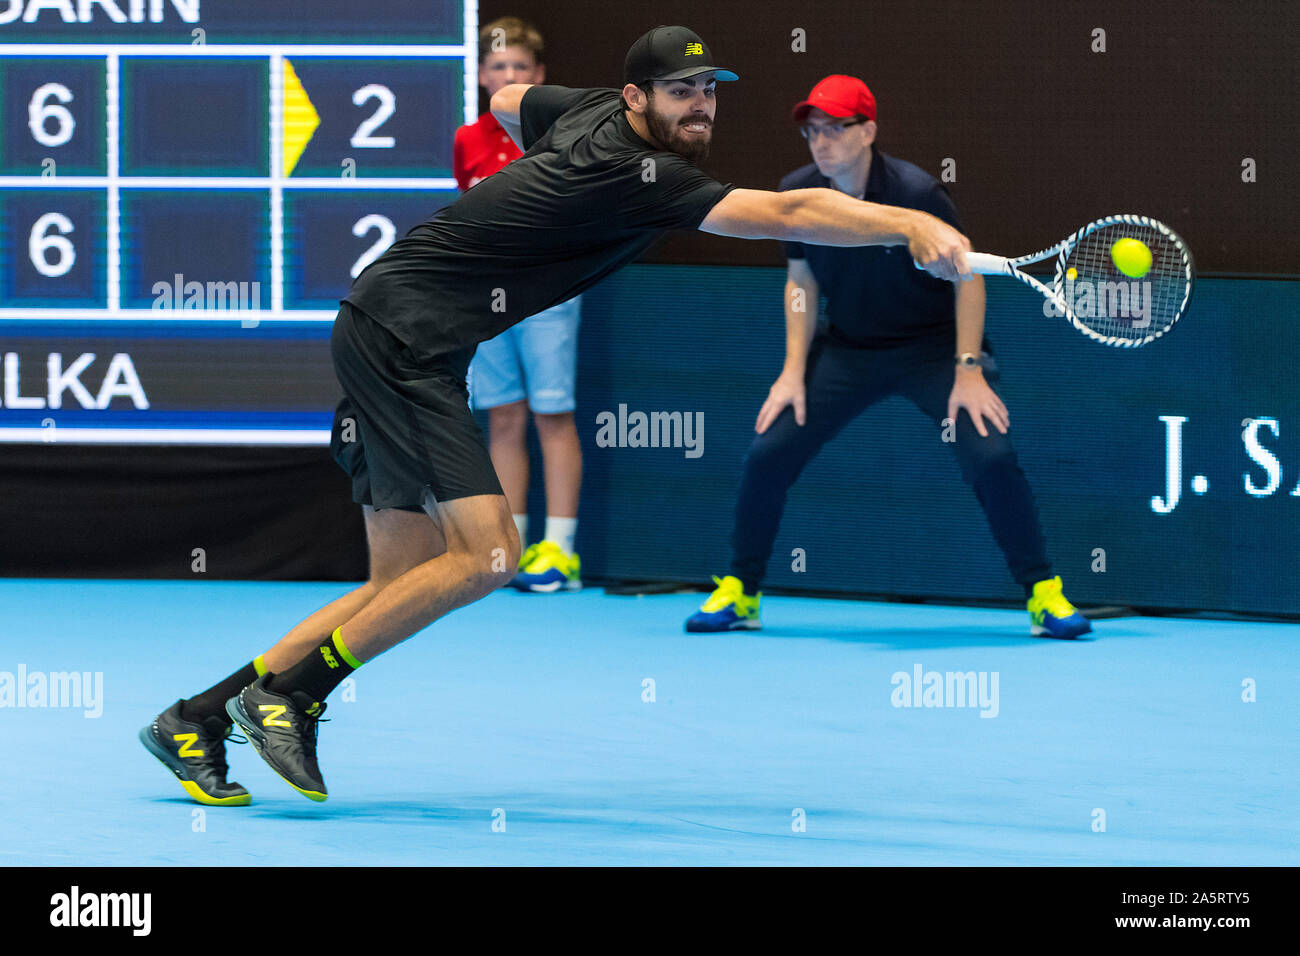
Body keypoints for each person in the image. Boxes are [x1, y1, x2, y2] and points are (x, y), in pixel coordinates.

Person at [140, 27, 972, 805]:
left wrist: (528, 165)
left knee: (402, 580)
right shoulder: (642, 175)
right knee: (492, 554)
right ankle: (290, 693)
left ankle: (196, 719)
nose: (701, 105)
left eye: (709, 90)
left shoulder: (578, 107)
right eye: (681, 91)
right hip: (407, 339)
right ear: (635, 99)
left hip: (389, 318)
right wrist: (910, 223)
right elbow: (791, 215)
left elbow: (511, 105)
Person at [684, 75, 1091, 640]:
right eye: (811, 130)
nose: (820, 141)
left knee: (991, 455)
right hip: (847, 350)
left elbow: (967, 280)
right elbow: (800, 282)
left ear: (868, 130)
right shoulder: (799, 191)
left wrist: (967, 369)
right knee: (769, 450)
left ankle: (1044, 593)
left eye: (834, 127)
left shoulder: (917, 192)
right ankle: (742, 591)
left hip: (932, 350)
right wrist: (792, 372)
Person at [456, 16, 584, 592]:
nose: (509, 75)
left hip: (549, 291)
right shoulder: (467, 140)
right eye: (499, 66)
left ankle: (559, 551)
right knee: (503, 417)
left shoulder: (558, 133)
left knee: (551, 414)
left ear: (539, 76)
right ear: (483, 75)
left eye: (520, 67)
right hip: (486, 296)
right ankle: (510, 546)